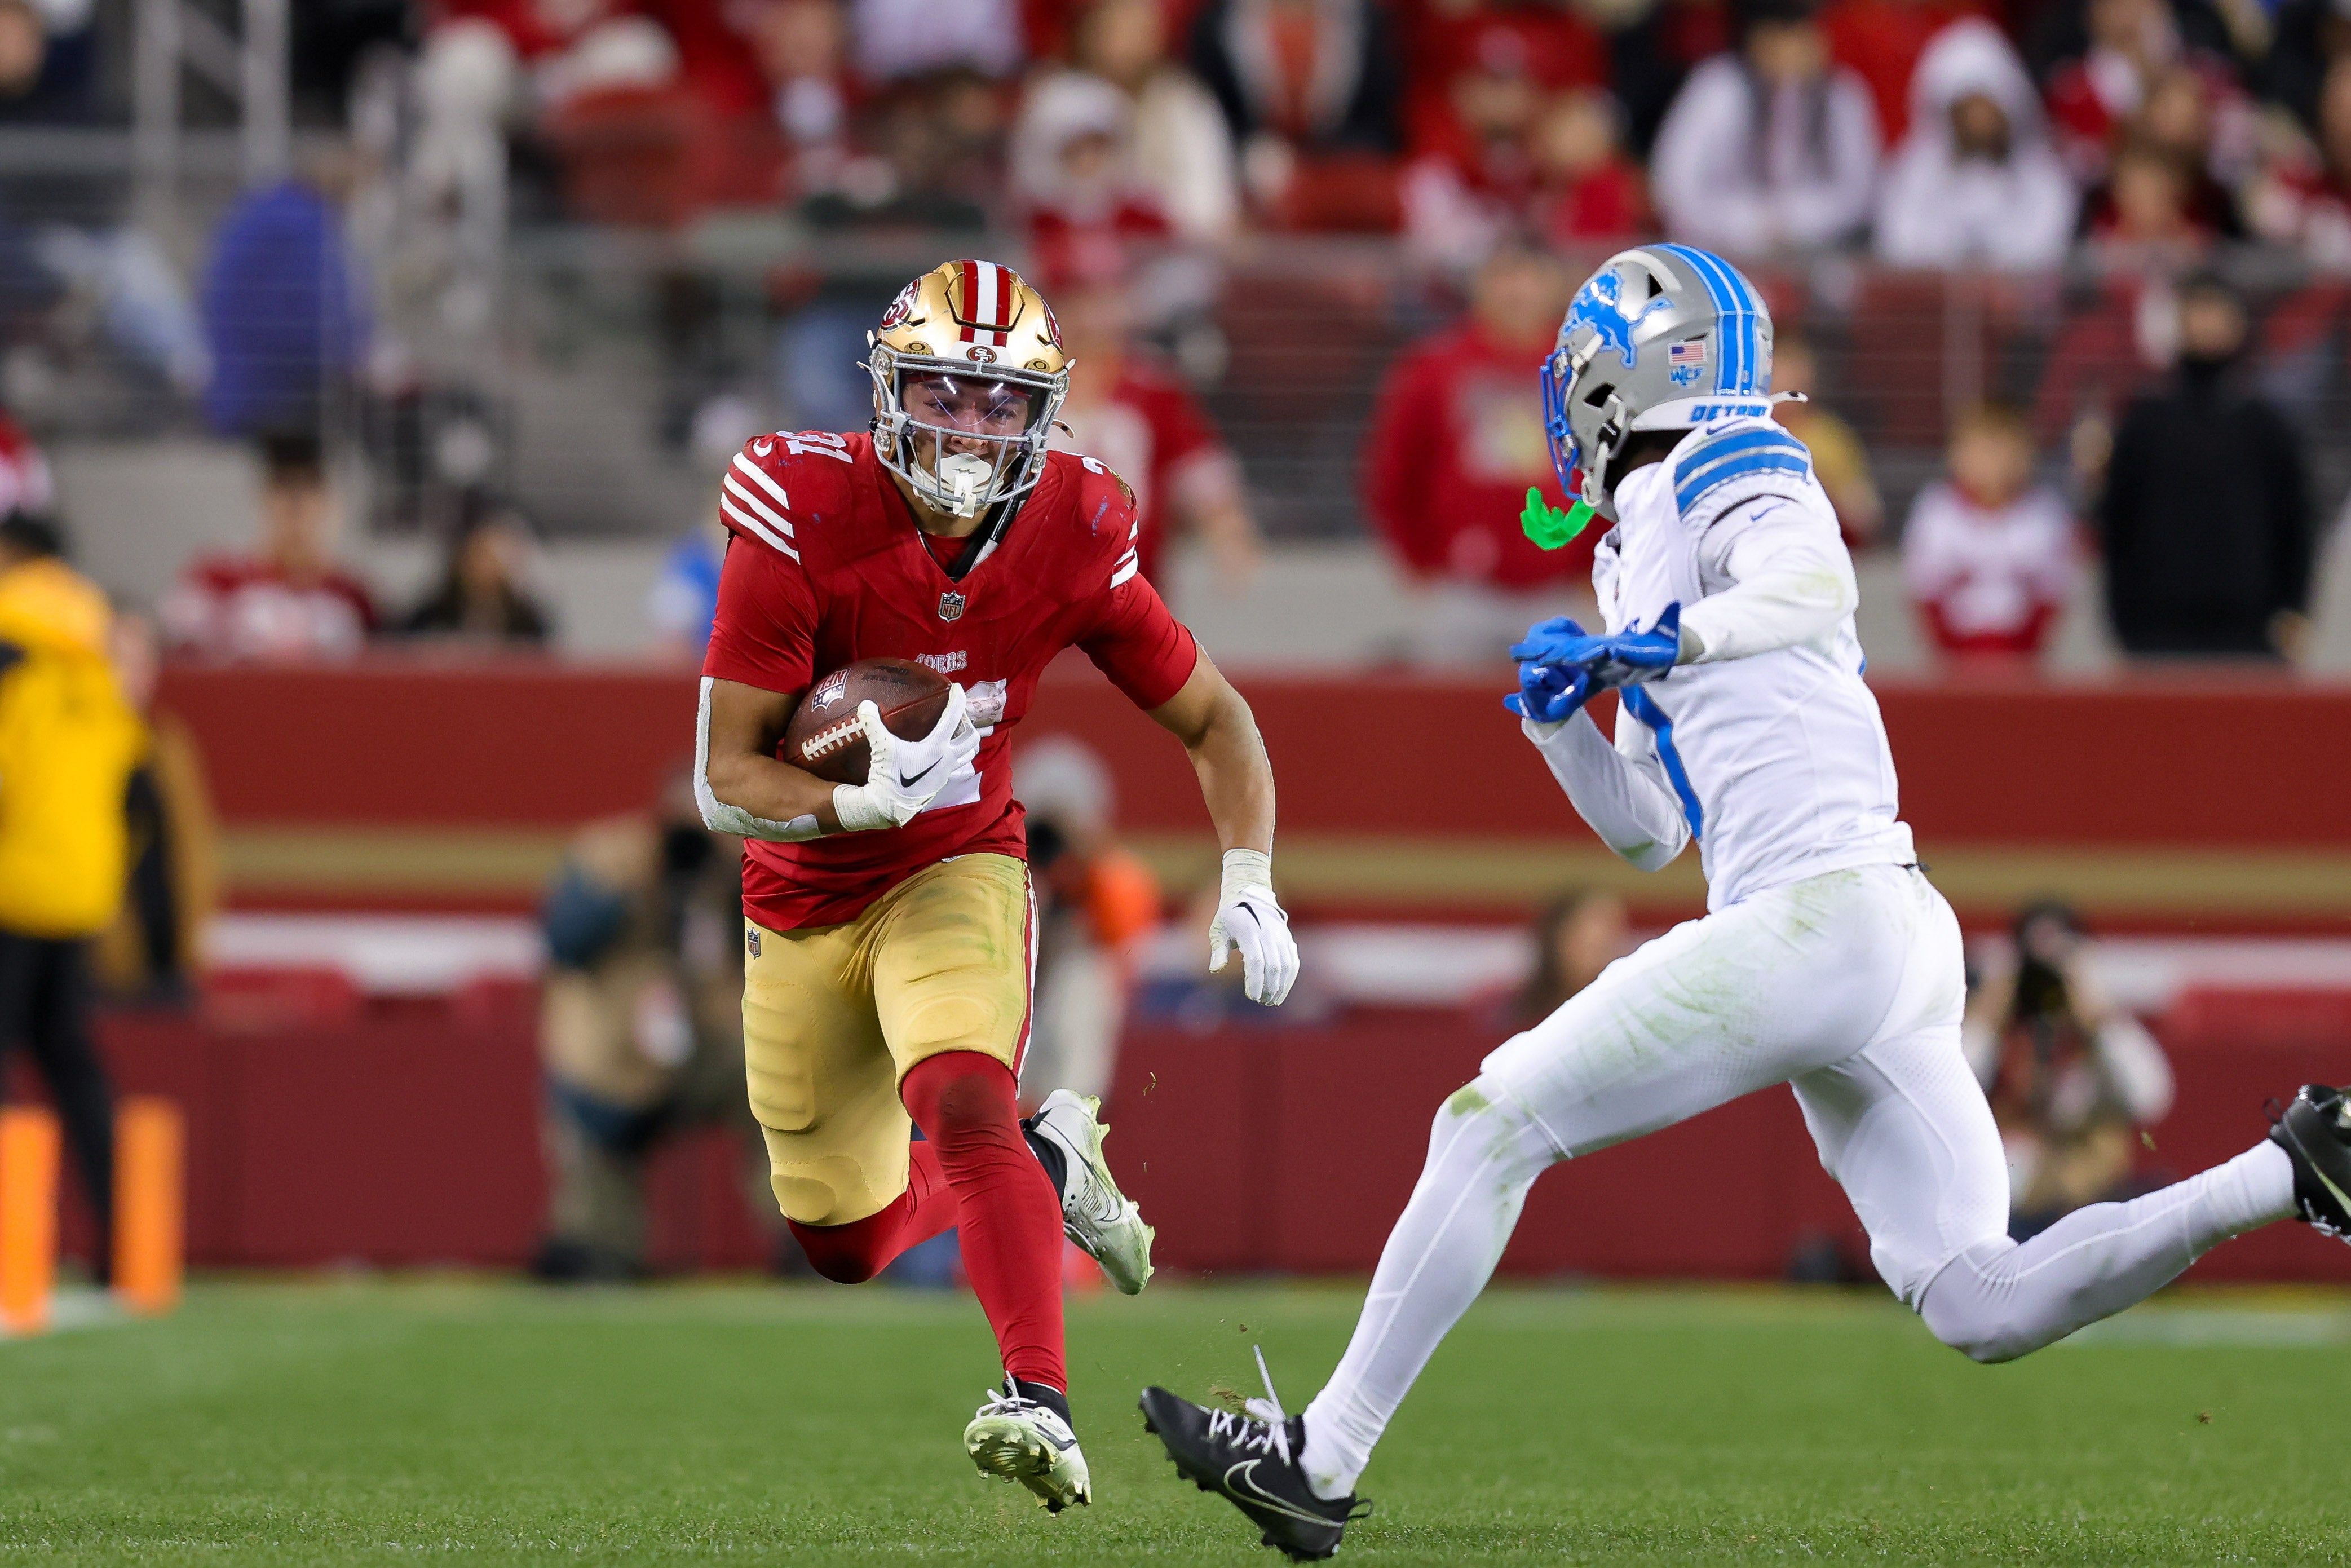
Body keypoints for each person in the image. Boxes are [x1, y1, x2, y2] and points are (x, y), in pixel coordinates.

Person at [1138, 244, 2348, 1560]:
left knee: (1484, 1122)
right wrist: (1562, 726)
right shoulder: (1627, 547)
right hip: (1877, 925)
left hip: (1820, 909)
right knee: (1975, 1298)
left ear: (1627, 372)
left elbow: (1816, 583)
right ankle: (2283, 1169)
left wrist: (1678, 638)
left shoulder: (1730, 457)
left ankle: (1318, 1458)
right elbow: (1648, 830)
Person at [695, 259, 1297, 1511]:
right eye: (943, 395)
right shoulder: (797, 503)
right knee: (842, 1242)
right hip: (802, 888)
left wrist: (1248, 874)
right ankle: (1049, 1160)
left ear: (1044, 413)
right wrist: (851, 799)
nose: (970, 429)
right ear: (887, 390)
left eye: (999, 403)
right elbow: (723, 778)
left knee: (963, 1094)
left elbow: (1216, 719)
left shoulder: (1078, 526)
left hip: (957, 861)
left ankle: (1037, 1395)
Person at [532, 781, 768, 1282]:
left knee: (776, 1087)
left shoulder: (731, 865)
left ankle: (809, 1232)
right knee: (596, 1144)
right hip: (610, 1049)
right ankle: (600, 1254)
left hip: (701, 1045)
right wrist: (623, 890)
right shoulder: (613, 854)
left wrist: (738, 869)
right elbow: (564, 942)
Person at [0, 512, 142, 1286]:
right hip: (81, 891)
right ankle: (127, 1243)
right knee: (74, 1070)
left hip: (11, 886)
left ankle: (11, 1246)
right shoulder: (97, 658)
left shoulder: (12, 650)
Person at [1362, 242, 1592, 665]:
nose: (1517, 292)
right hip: (1462, 590)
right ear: (1480, 286)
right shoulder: (1435, 369)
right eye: (1504, 277)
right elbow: (1396, 469)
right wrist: (1416, 558)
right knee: (1454, 718)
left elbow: (1609, 471)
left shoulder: (1586, 373)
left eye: (1530, 278)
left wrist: (1594, 566)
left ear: (1556, 286)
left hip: (1560, 588)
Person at [2098, 274, 2313, 659]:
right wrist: (2121, 616)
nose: (2207, 324)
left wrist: (2293, 607)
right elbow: (2118, 522)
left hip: (2249, 629)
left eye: (2217, 312)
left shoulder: (2266, 426)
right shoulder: (2145, 422)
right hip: (2156, 629)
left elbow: (2295, 521)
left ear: (2240, 324)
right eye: (2197, 312)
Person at [1964, 902, 2174, 1239]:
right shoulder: (2001, 1034)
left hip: (2090, 1205)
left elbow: (2150, 1098)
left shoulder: (2099, 1034)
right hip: (2013, 1210)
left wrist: (2096, 1012)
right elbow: (1950, 1091)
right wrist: (1990, 1008)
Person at [1046, 276, 1260, 593]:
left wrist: (1226, 529)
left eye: (1098, 301)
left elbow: (1198, 467)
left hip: (1134, 584)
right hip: (1041, 584)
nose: (1088, 318)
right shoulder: (1020, 388)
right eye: (1073, 303)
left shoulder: (1152, 388)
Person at [1650, 0, 1882, 255]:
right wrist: (1746, 222)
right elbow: (1673, 182)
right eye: (1780, 38)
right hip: (1721, 247)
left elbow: (1860, 191)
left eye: (1802, 37)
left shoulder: (1842, 96)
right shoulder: (1718, 88)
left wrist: (1795, 220)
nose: (1792, 50)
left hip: (1819, 252)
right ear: (1757, 40)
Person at [1017, 736, 1161, 1107]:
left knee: (1084, 978)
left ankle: (1072, 1116)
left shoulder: (1109, 872)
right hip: (1021, 985)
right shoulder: (1009, 871)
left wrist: (1083, 867)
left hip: (1075, 992)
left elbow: (1125, 942)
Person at [1872, 18, 2078, 270]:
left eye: (1987, 107)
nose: (1979, 119)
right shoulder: (1915, 171)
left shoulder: (2040, 171)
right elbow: (1899, 243)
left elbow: (2050, 242)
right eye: (1969, 109)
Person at [164, 432, 378, 661]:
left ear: (329, 501)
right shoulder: (217, 580)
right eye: (284, 488)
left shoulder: (352, 594)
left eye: (308, 489)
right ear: (263, 497)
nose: (296, 505)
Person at [1902, 401, 2078, 661]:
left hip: (2024, 660)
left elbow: (2053, 594)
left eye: (2003, 451)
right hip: (1954, 660)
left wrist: (2022, 654)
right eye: (1983, 451)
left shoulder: (2045, 513)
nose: (1993, 463)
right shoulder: (1937, 510)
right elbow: (1924, 592)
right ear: (1957, 454)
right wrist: (1953, 655)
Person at [399, 495, 555, 645]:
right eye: (478, 554)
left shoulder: (528, 624)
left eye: (493, 557)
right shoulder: (429, 618)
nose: (485, 566)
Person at [1510, 886, 1629, 1026]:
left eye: (1605, 947)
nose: (1595, 961)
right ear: (1554, 938)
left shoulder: (1625, 1018)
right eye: (1585, 946)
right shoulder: (1502, 1015)